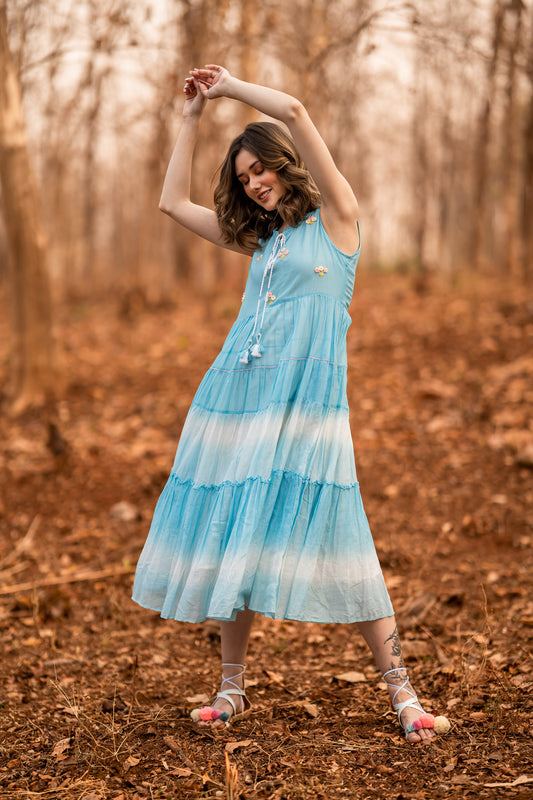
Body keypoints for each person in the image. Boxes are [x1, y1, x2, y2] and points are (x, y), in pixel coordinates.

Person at [132, 64, 448, 744]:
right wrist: (189, 117)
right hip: (238, 400)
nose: (254, 183)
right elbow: (168, 204)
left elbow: (298, 108)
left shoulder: (338, 220)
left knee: (349, 540)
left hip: (309, 411)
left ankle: (404, 696)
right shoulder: (260, 239)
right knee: (240, 531)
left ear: (283, 164)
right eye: (244, 177)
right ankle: (229, 687)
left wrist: (230, 86)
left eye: (260, 170)